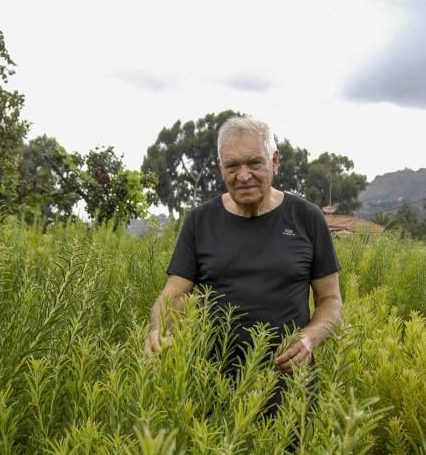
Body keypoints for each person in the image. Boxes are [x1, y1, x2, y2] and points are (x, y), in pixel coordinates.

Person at [145, 116, 342, 399]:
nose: (243, 175)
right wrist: (160, 329)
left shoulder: (307, 218)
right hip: (211, 387)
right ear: (220, 167)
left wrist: (310, 337)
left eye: (254, 163)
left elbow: (330, 300)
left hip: (288, 389)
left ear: (274, 161)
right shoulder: (201, 221)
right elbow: (172, 295)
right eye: (232, 165)